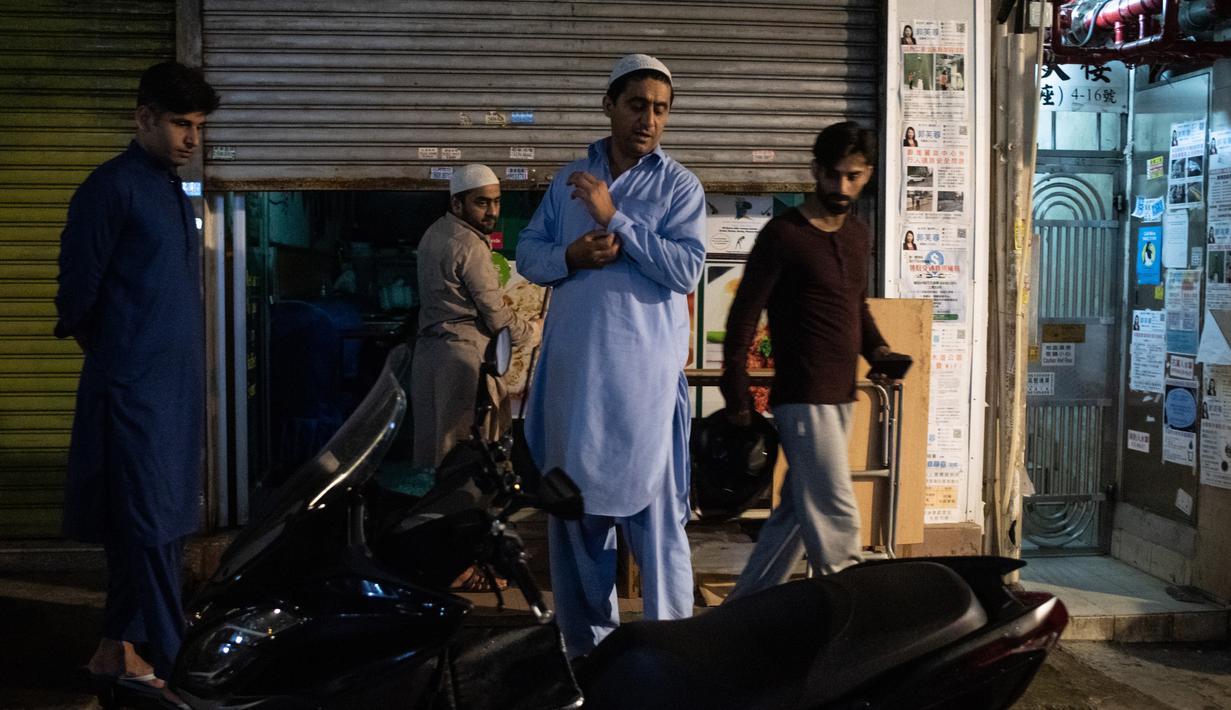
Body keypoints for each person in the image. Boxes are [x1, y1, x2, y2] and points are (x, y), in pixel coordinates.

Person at [515, 53, 705, 657]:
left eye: (661, 109)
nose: (649, 119)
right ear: (609, 106)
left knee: (657, 533)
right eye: (637, 105)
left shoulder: (679, 186)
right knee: (576, 527)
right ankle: (588, 658)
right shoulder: (569, 179)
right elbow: (528, 252)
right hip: (576, 388)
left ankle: (673, 656)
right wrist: (570, 256)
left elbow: (687, 269)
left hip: (644, 389)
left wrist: (615, 218)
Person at [54, 61, 219, 707]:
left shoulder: (170, 191)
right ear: (143, 117)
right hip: (135, 395)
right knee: (152, 527)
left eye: (198, 126)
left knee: (158, 525)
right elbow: (77, 299)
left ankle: (112, 651)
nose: (191, 138)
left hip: (172, 392)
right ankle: (177, 668)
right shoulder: (110, 188)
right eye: (180, 124)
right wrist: (125, 366)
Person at [720, 121, 898, 599]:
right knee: (836, 512)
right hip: (802, 396)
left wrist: (878, 350)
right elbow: (744, 314)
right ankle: (854, 611)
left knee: (796, 515)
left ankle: (744, 611)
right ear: (816, 171)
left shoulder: (857, 235)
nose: (842, 186)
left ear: (868, 174)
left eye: (853, 176)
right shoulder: (783, 235)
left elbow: (854, 305)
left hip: (842, 395)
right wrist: (735, 388)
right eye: (834, 175)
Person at [411, 163, 542, 471]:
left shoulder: (434, 233)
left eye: (496, 202)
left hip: (431, 356)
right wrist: (533, 330)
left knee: (443, 455)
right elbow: (497, 315)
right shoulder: (470, 245)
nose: (492, 212)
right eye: (482, 203)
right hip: (464, 362)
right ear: (457, 203)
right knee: (469, 458)